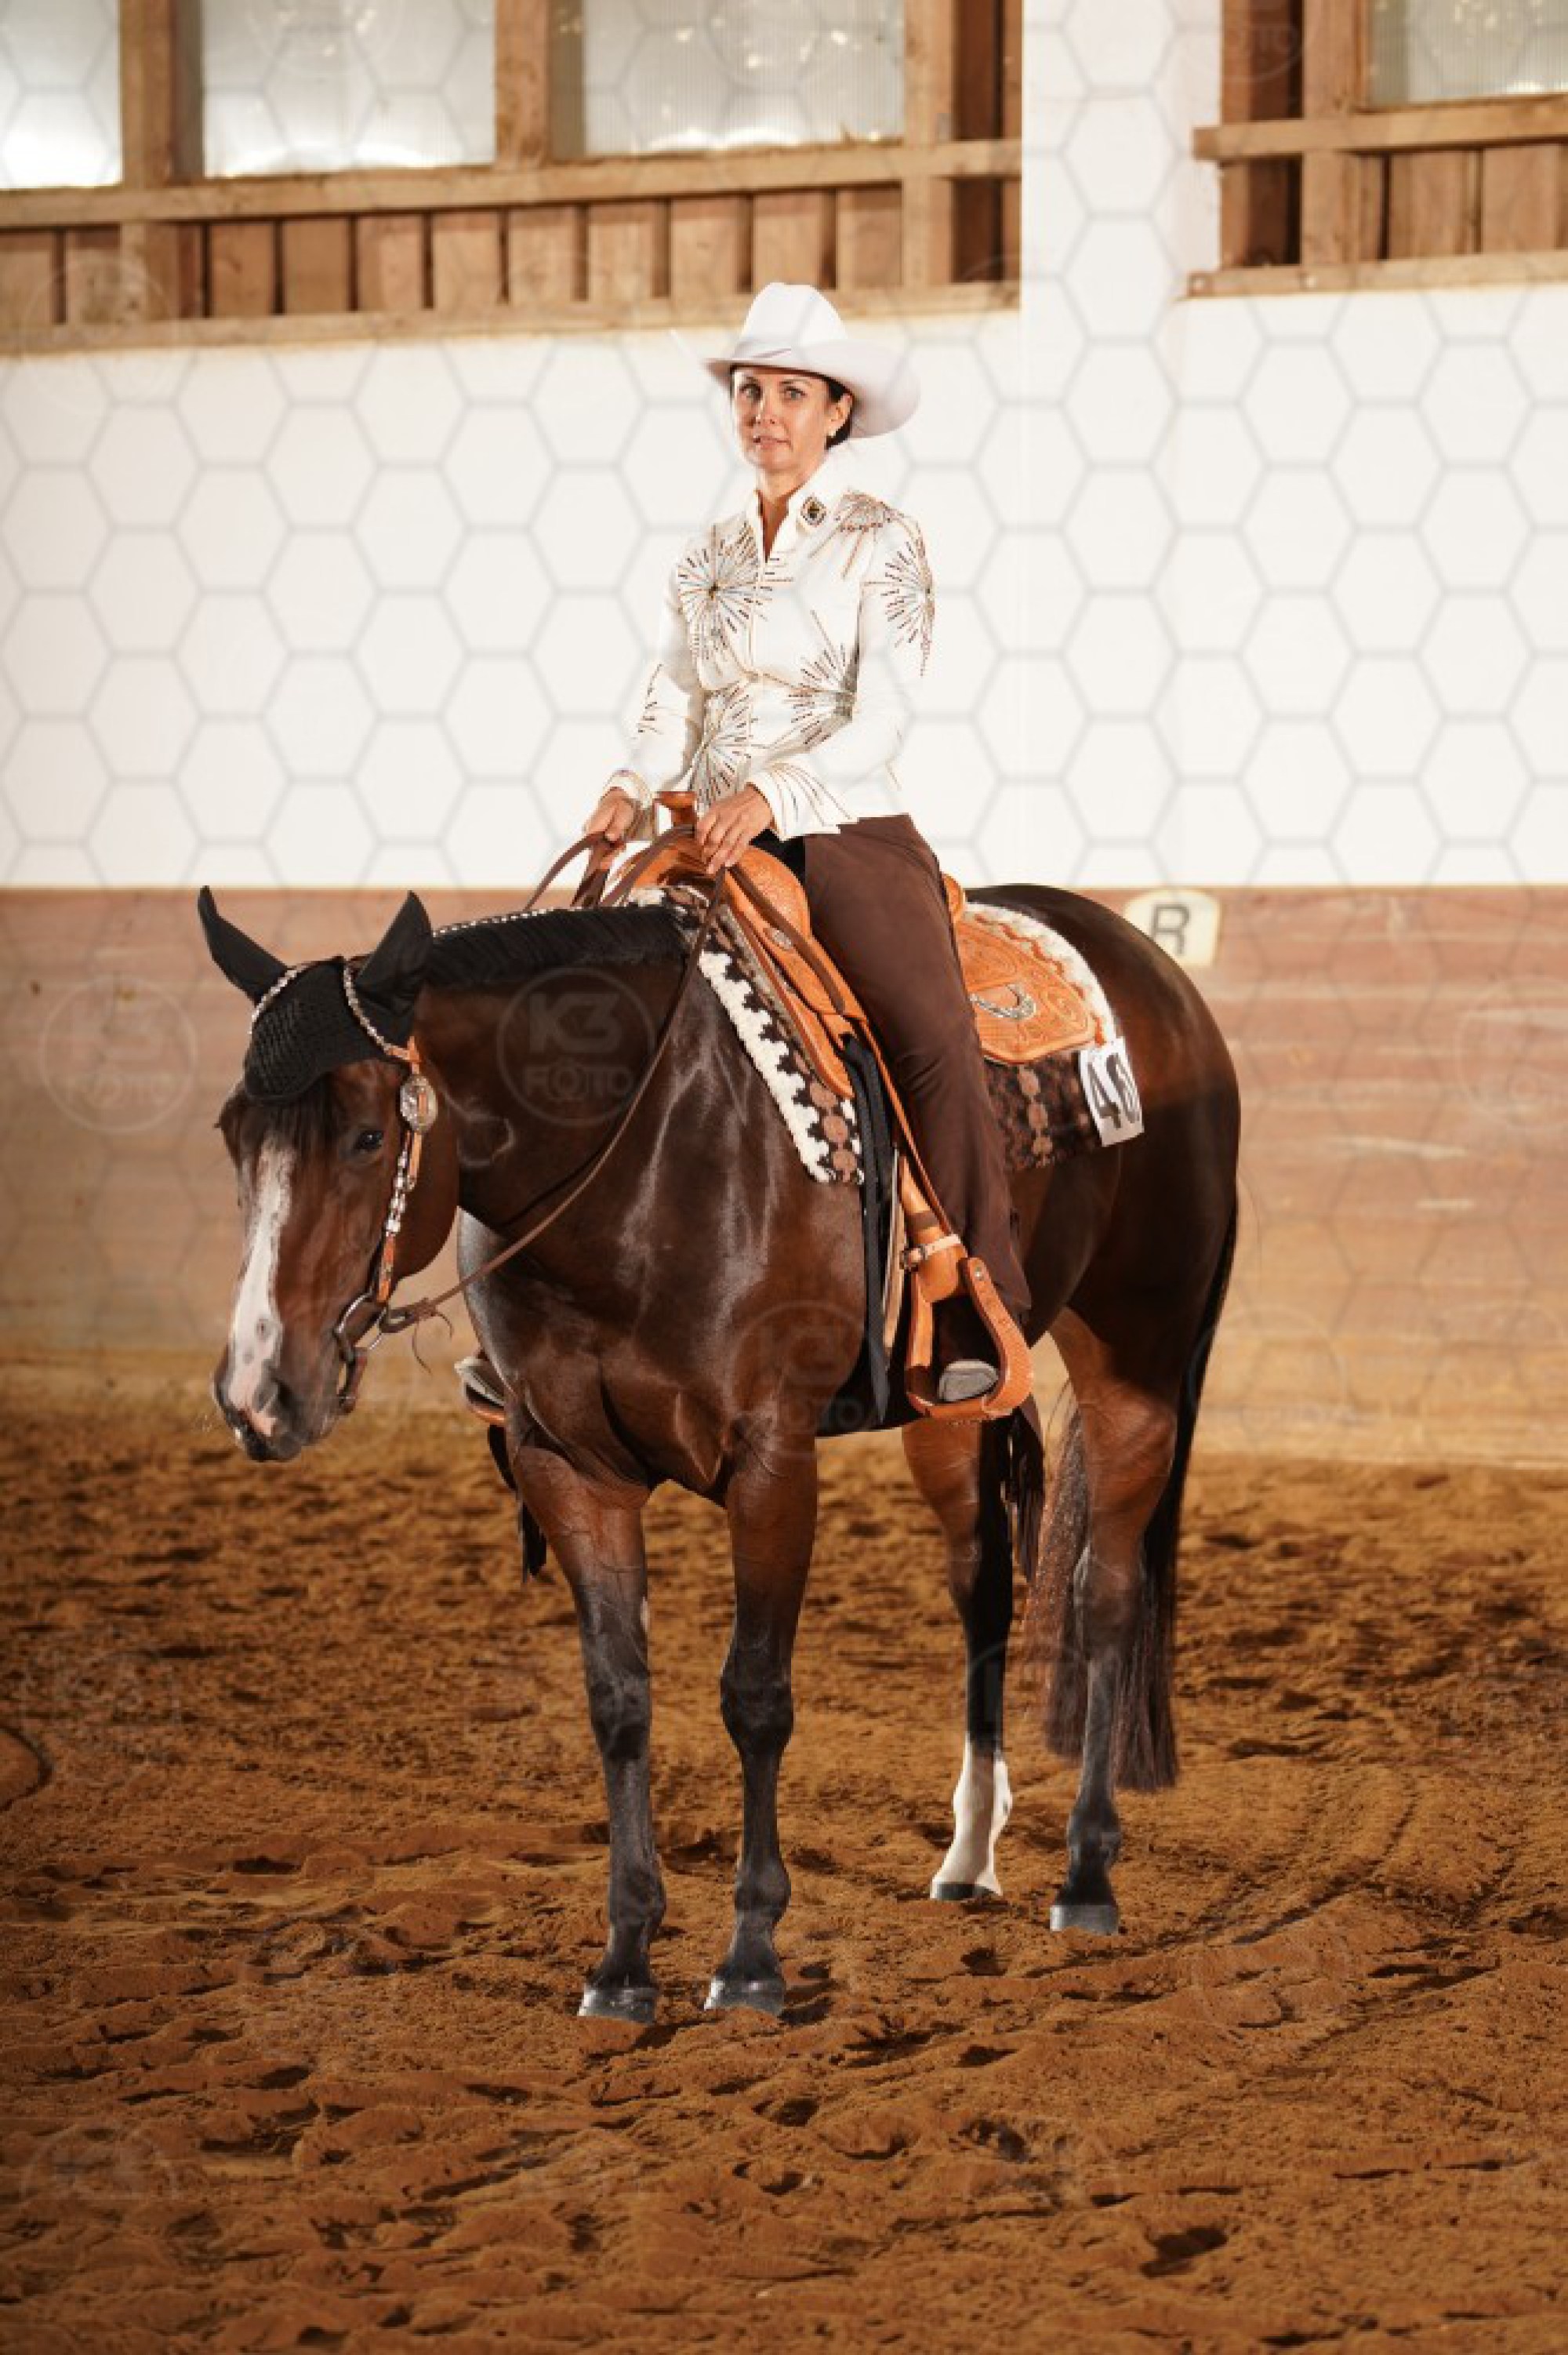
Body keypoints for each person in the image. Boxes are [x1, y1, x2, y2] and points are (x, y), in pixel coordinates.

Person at [583, 282, 1029, 1403]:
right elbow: (672, 696)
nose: (765, 412)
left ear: (837, 413)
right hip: (709, 838)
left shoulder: (881, 539)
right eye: (750, 391)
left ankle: (969, 1297)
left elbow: (885, 715)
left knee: (929, 1037)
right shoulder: (705, 556)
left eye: (791, 393)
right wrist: (629, 785)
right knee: (587, 1014)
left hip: (841, 833)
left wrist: (772, 794)